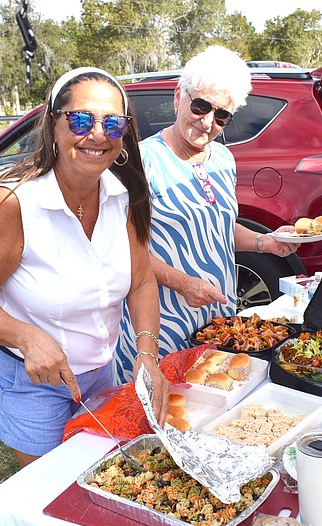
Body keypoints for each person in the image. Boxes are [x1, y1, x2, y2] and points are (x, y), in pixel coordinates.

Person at [0, 67, 169, 467]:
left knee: (101, 471)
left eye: (113, 122)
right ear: (54, 125)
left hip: (99, 370)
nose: (98, 134)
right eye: (81, 119)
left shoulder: (127, 196)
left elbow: (141, 281)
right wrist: (27, 337)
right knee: (51, 486)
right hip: (31, 377)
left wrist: (146, 354)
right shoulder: (13, 203)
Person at [114, 46, 300, 382]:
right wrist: (183, 283)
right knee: (160, 414)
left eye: (222, 116)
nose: (208, 122)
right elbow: (123, 248)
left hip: (218, 320)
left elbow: (217, 228)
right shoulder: (141, 163)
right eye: (200, 106)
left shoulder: (224, 159)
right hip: (161, 322)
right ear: (178, 97)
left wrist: (264, 242)